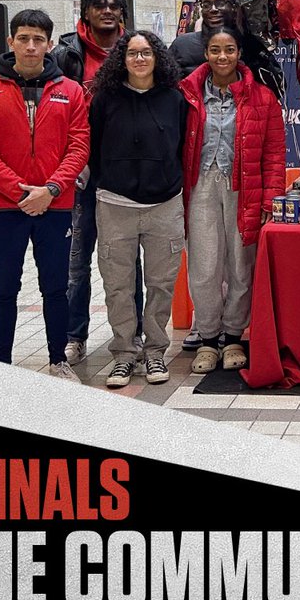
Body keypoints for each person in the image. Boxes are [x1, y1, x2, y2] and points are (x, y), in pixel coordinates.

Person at [0, 9, 89, 382]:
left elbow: (79, 145)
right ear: (11, 42)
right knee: (4, 287)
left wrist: (51, 189)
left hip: (55, 205)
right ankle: (1, 362)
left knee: (54, 285)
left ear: (50, 44)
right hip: (6, 207)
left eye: (39, 39)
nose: (31, 46)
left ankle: (57, 359)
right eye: (24, 38)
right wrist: (20, 191)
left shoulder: (70, 91)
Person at [179, 25, 285, 374]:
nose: (221, 57)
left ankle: (234, 336)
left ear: (239, 53)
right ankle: (208, 339)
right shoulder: (187, 93)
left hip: (245, 187)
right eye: (214, 50)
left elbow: (273, 154)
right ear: (205, 53)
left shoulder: (262, 97)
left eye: (228, 50)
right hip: (200, 187)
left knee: (241, 266)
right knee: (204, 266)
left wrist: (272, 200)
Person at [88, 31, 189, 388]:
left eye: (146, 53)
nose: (140, 59)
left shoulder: (174, 99)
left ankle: (156, 352)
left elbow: (182, 149)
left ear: (157, 57)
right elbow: (93, 147)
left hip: (165, 203)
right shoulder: (105, 99)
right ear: (122, 59)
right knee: (118, 285)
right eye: (132, 53)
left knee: (160, 284)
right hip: (115, 205)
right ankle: (124, 355)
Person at [51, 0, 141, 366]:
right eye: (99, 6)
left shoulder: (136, 50)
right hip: (79, 173)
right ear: (85, 12)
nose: (107, 11)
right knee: (77, 260)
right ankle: (75, 335)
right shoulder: (66, 54)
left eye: (113, 6)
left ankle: (132, 334)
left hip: (123, 172)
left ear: (122, 12)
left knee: (126, 260)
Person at [170, 0, 238, 354]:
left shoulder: (248, 42)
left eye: (222, 3)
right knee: (202, 253)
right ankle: (203, 323)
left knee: (238, 257)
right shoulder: (182, 48)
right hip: (196, 160)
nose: (214, 9)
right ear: (198, 7)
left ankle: (234, 327)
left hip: (236, 162)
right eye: (208, 3)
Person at [170, 0, 236, 76]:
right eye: (206, 5)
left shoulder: (249, 44)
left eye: (220, 4)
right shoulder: (183, 45)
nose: (213, 9)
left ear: (233, 7)